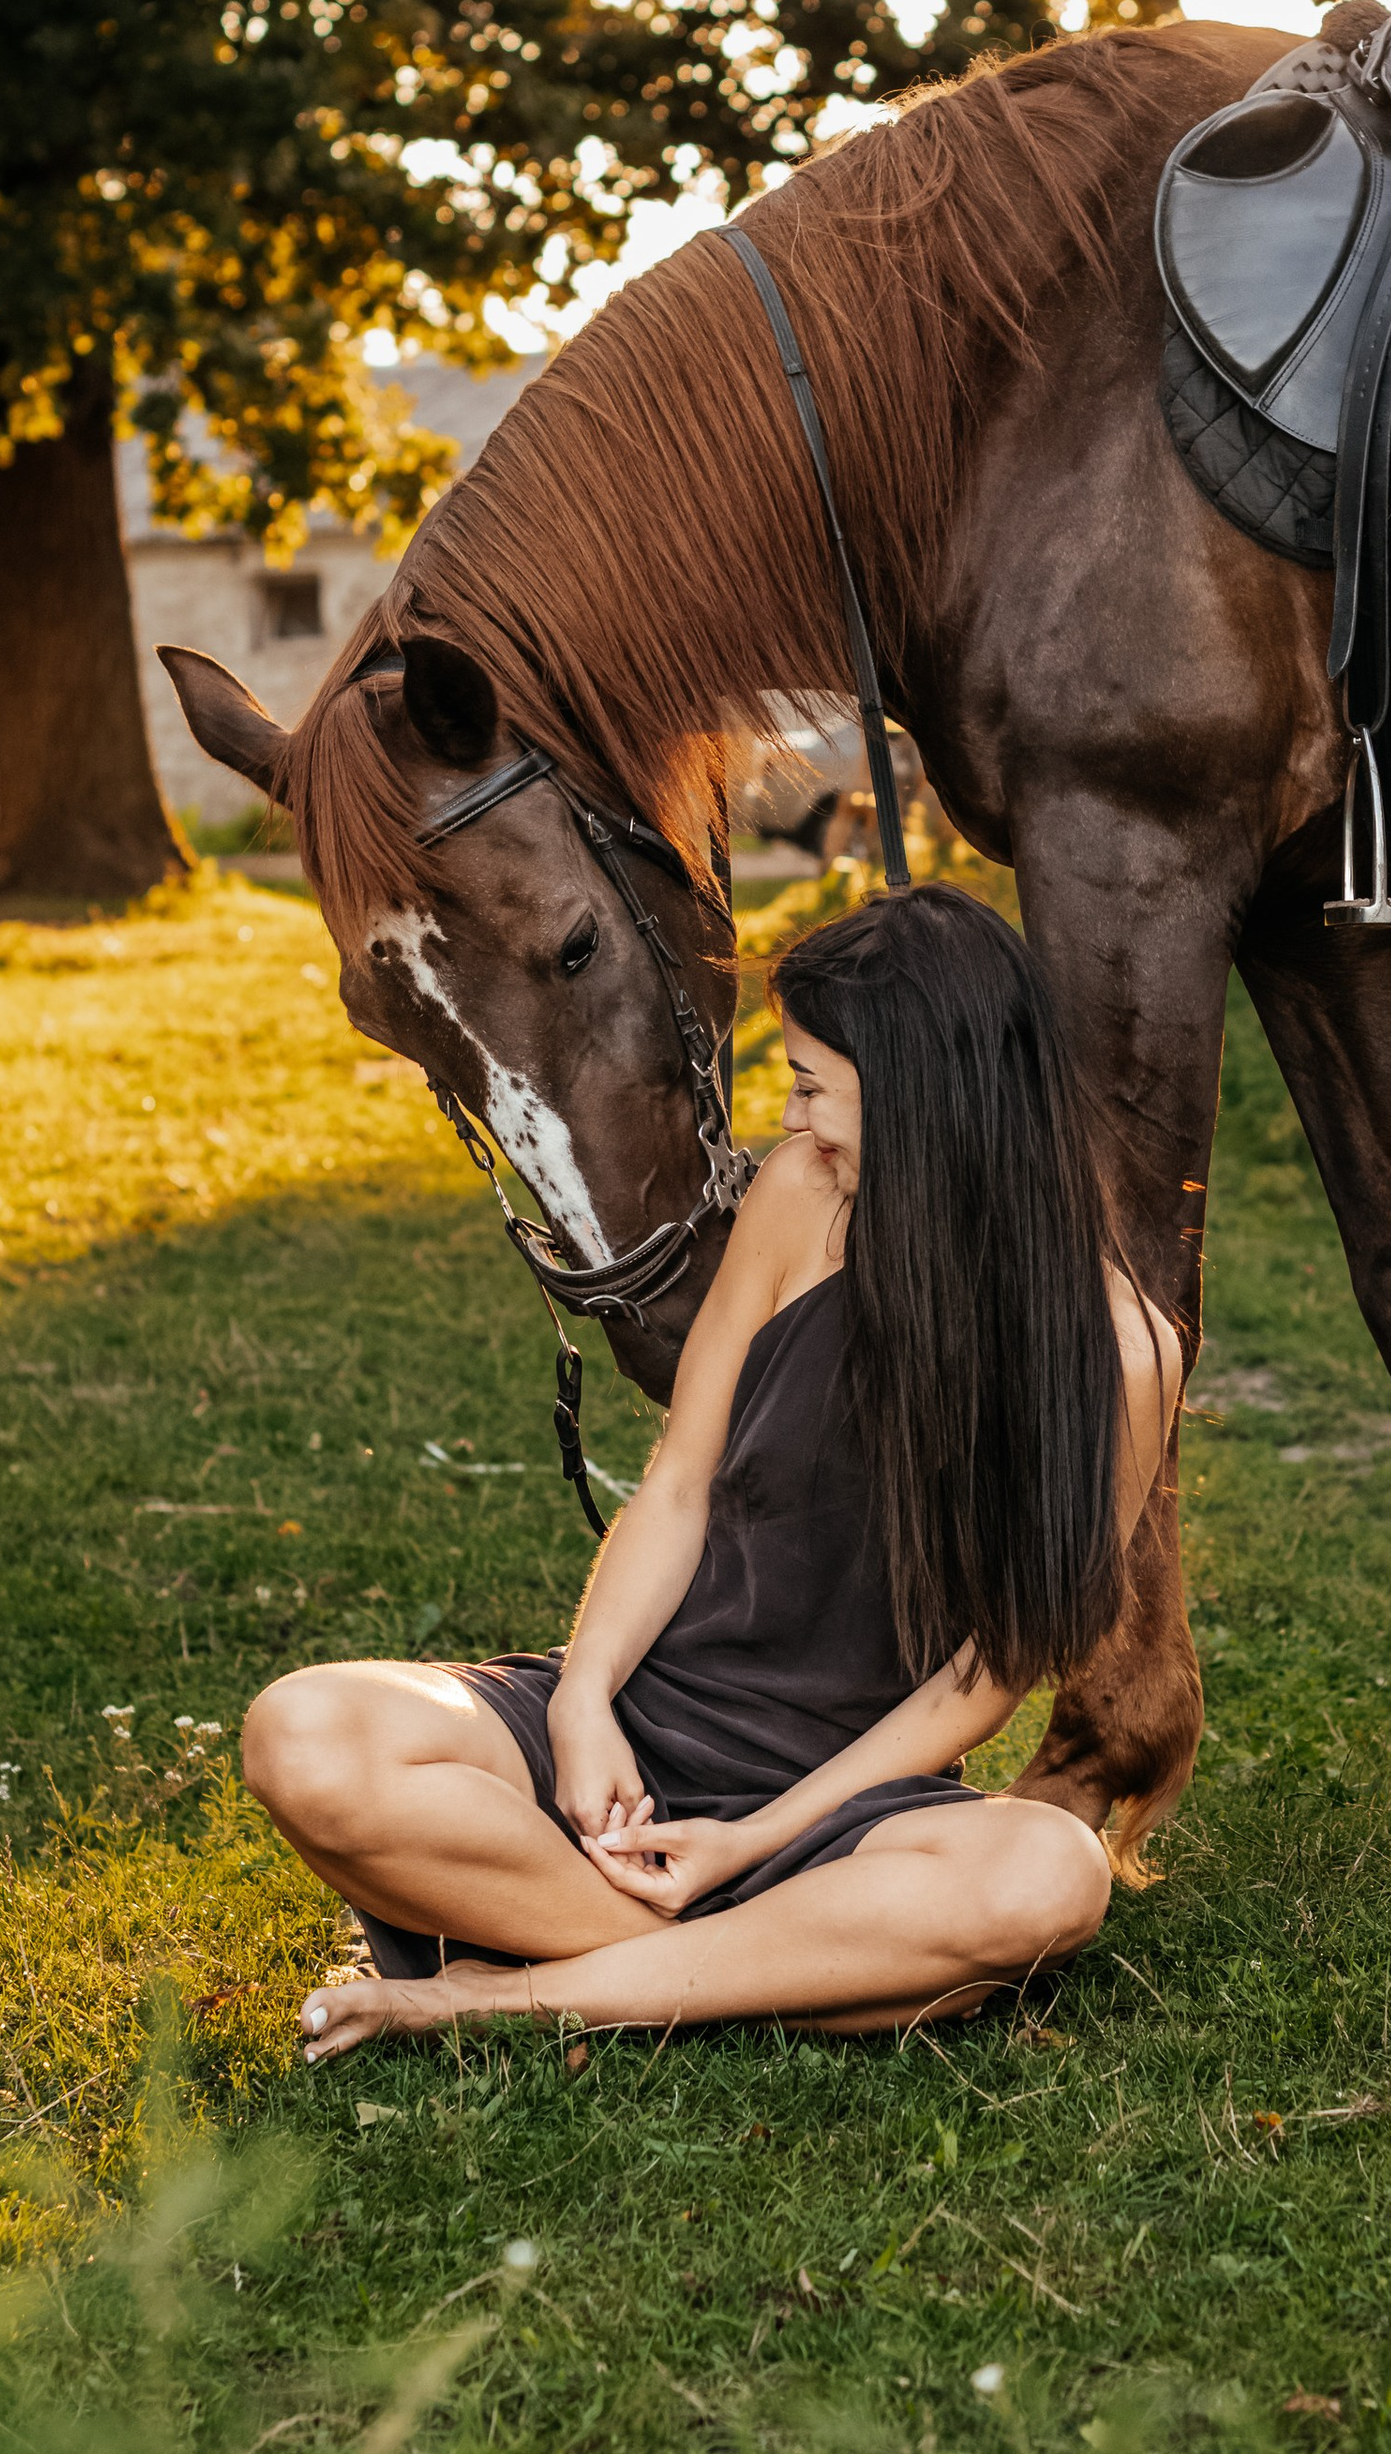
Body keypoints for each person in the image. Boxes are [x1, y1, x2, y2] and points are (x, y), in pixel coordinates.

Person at [249, 883, 1180, 2062]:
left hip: (846, 1805)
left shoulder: (1126, 1353)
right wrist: (585, 1703)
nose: (792, 1118)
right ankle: (771, 1968)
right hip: (642, 1733)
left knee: (1048, 1875)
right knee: (306, 1730)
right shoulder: (798, 1198)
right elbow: (679, 1481)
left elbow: (984, 1675)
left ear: (923, 1095)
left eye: (810, 1083)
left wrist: (754, 1841)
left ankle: (492, 1993)